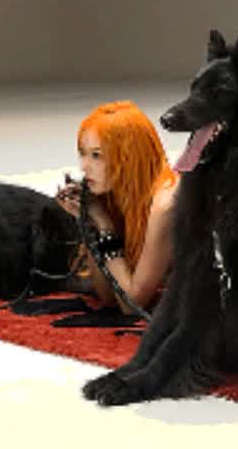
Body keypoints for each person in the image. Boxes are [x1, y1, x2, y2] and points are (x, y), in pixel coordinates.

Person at [56, 100, 178, 313]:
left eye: (96, 155)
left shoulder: (165, 205)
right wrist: (90, 222)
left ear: (129, 157)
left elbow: (131, 306)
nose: (84, 167)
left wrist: (105, 228)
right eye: (82, 153)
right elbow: (107, 295)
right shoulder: (116, 195)